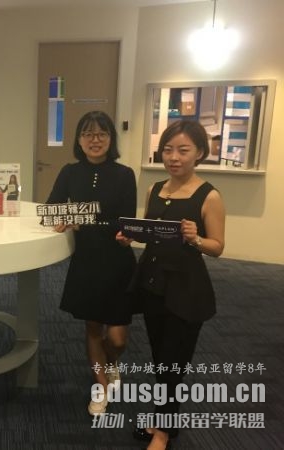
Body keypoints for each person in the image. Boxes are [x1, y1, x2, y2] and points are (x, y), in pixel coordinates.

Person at [119, 120, 225, 450]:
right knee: (161, 359)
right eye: (167, 150)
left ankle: (163, 432)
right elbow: (153, 234)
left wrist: (196, 239)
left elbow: (218, 247)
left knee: (173, 362)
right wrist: (130, 237)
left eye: (183, 150)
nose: (174, 157)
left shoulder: (209, 196)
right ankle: (166, 420)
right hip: (153, 285)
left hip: (186, 291)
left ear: (200, 153)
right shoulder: (155, 189)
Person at [46, 111, 137, 415]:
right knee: (93, 328)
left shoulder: (124, 175)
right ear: (79, 140)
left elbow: (125, 220)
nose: (94, 140)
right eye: (87, 134)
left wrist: (84, 221)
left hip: (118, 261)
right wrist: (63, 218)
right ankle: (100, 386)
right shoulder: (70, 172)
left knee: (118, 338)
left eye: (101, 134)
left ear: (111, 138)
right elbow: (52, 207)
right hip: (86, 261)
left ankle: (112, 361)